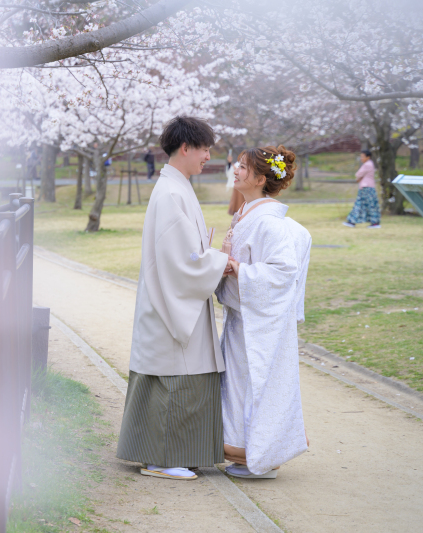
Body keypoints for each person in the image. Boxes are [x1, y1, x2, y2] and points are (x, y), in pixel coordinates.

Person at [116, 116, 230, 481]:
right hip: (170, 302)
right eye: (204, 148)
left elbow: (183, 254)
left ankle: (170, 455)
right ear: (186, 147)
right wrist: (220, 260)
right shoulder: (171, 193)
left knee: (175, 376)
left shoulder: (175, 188)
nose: (208, 156)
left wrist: (208, 258)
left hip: (169, 298)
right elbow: (182, 262)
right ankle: (161, 459)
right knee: (174, 379)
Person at [216, 145, 311, 479]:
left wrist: (238, 268)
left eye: (243, 167)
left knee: (254, 384)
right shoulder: (246, 214)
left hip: (258, 322)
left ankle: (258, 456)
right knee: (239, 384)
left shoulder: (270, 223)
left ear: (259, 178)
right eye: (238, 165)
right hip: (243, 317)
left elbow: (283, 272)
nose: (236, 170)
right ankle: (247, 453)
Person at [344, 150, 381, 228]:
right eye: (361, 157)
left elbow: (358, 174)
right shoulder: (370, 164)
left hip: (366, 187)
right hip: (368, 187)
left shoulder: (367, 165)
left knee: (364, 205)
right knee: (364, 205)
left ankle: (374, 223)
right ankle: (352, 221)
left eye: (363, 157)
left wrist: (358, 178)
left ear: (368, 157)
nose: (361, 158)